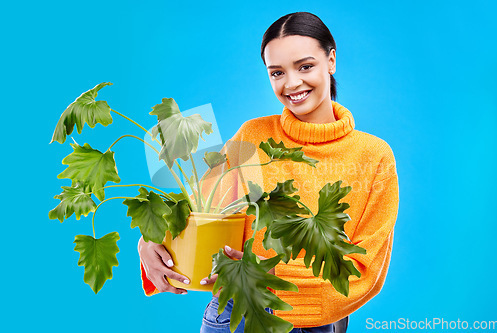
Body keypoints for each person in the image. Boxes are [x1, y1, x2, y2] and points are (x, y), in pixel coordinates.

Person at [138, 12, 399, 333]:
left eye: (305, 66)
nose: (291, 83)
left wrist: (267, 276)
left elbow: (365, 270)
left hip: (321, 321)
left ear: (331, 60)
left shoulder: (374, 156)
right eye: (277, 72)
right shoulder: (253, 136)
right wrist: (150, 243)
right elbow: (198, 214)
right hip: (237, 313)